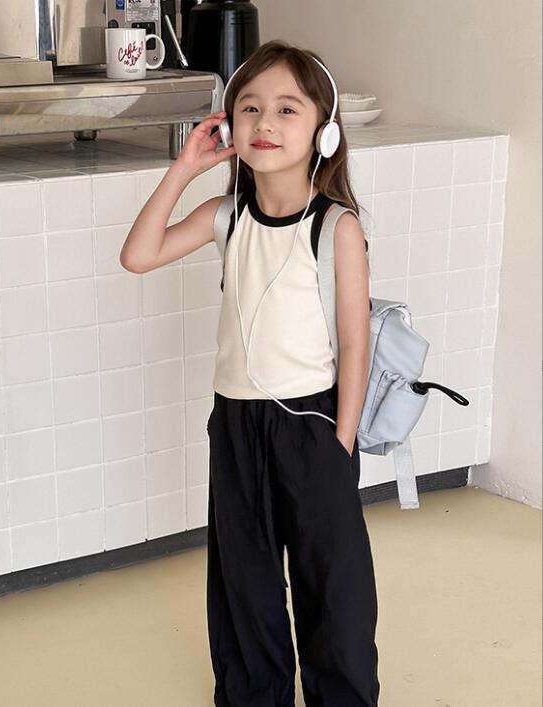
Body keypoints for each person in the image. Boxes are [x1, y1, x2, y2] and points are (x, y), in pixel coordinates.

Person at [121, 39, 380, 707]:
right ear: (230, 124)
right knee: (245, 580)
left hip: (314, 424)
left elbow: (356, 344)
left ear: (323, 130)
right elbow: (138, 255)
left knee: (333, 587)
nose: (265, 123)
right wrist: (184, 168)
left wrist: (342, 440)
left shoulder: (336, 227)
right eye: (250, 108)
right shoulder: (226, 217)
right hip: (236, 424)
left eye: (287, 109)